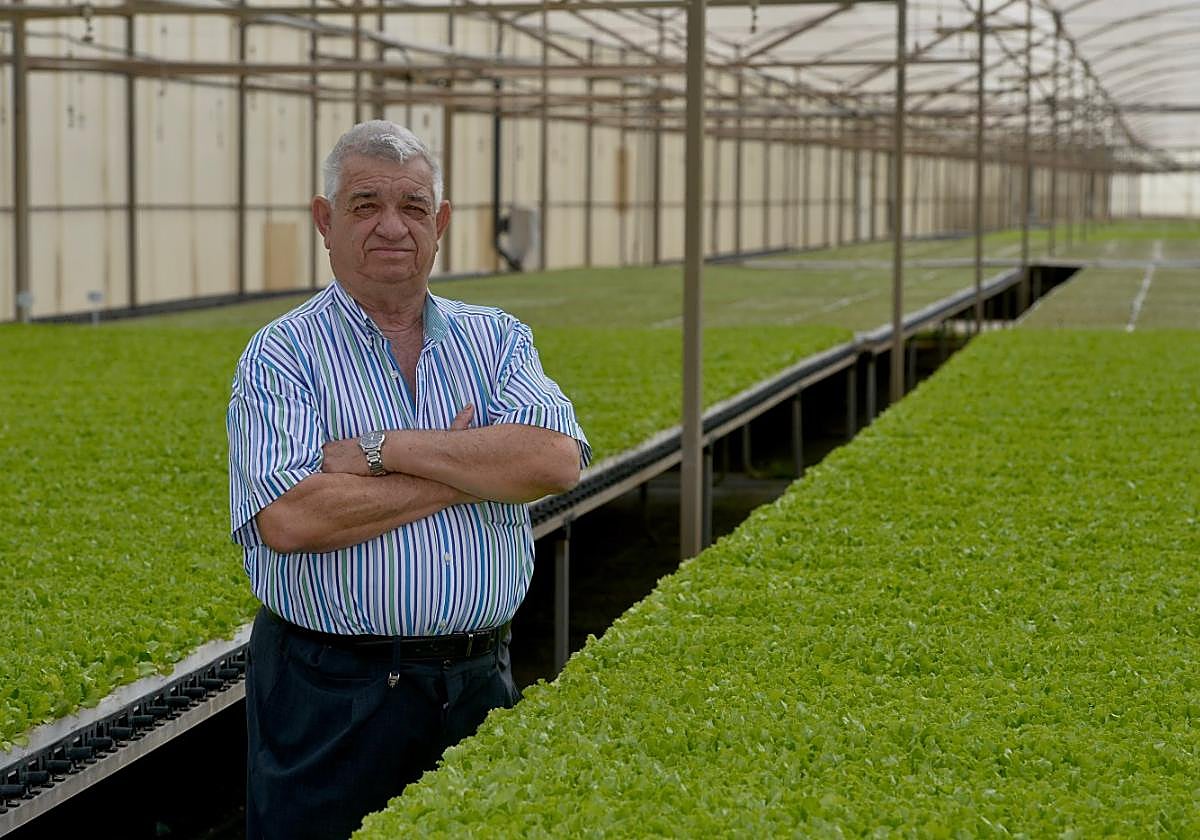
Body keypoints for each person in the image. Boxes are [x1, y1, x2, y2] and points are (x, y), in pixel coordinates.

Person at [226, 120, 590, 840]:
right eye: (365, 205)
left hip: (480, 681)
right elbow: (294, 519)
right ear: (325, 221)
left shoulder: (497, 338)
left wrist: (384, 448)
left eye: (413, 207)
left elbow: (553, 461)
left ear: (441, 223)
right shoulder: (281, 355)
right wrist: (473, 469)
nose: (392, 226)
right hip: (331, 693)